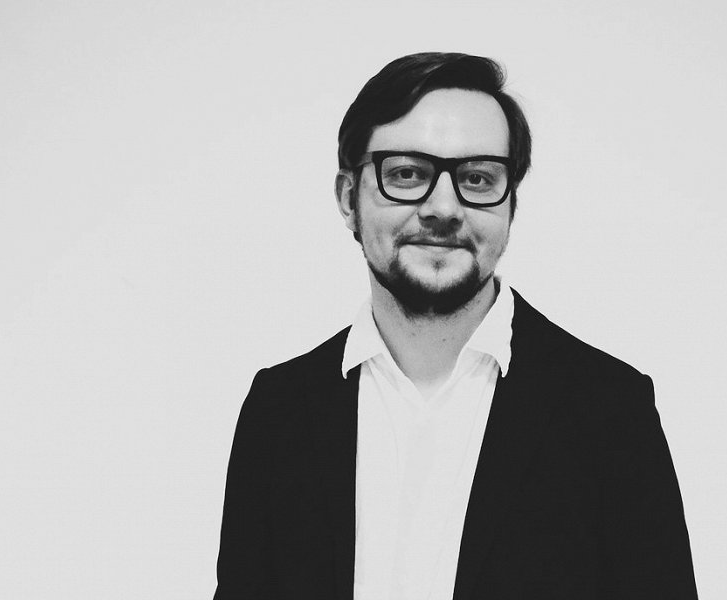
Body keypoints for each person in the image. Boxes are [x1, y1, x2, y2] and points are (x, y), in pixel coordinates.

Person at [214, 52, 697, 600]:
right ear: (349, 200)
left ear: (510, 204)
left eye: (478, 178)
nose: (444, 207)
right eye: (406, 173)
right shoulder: (278, 410)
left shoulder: (610, 409)